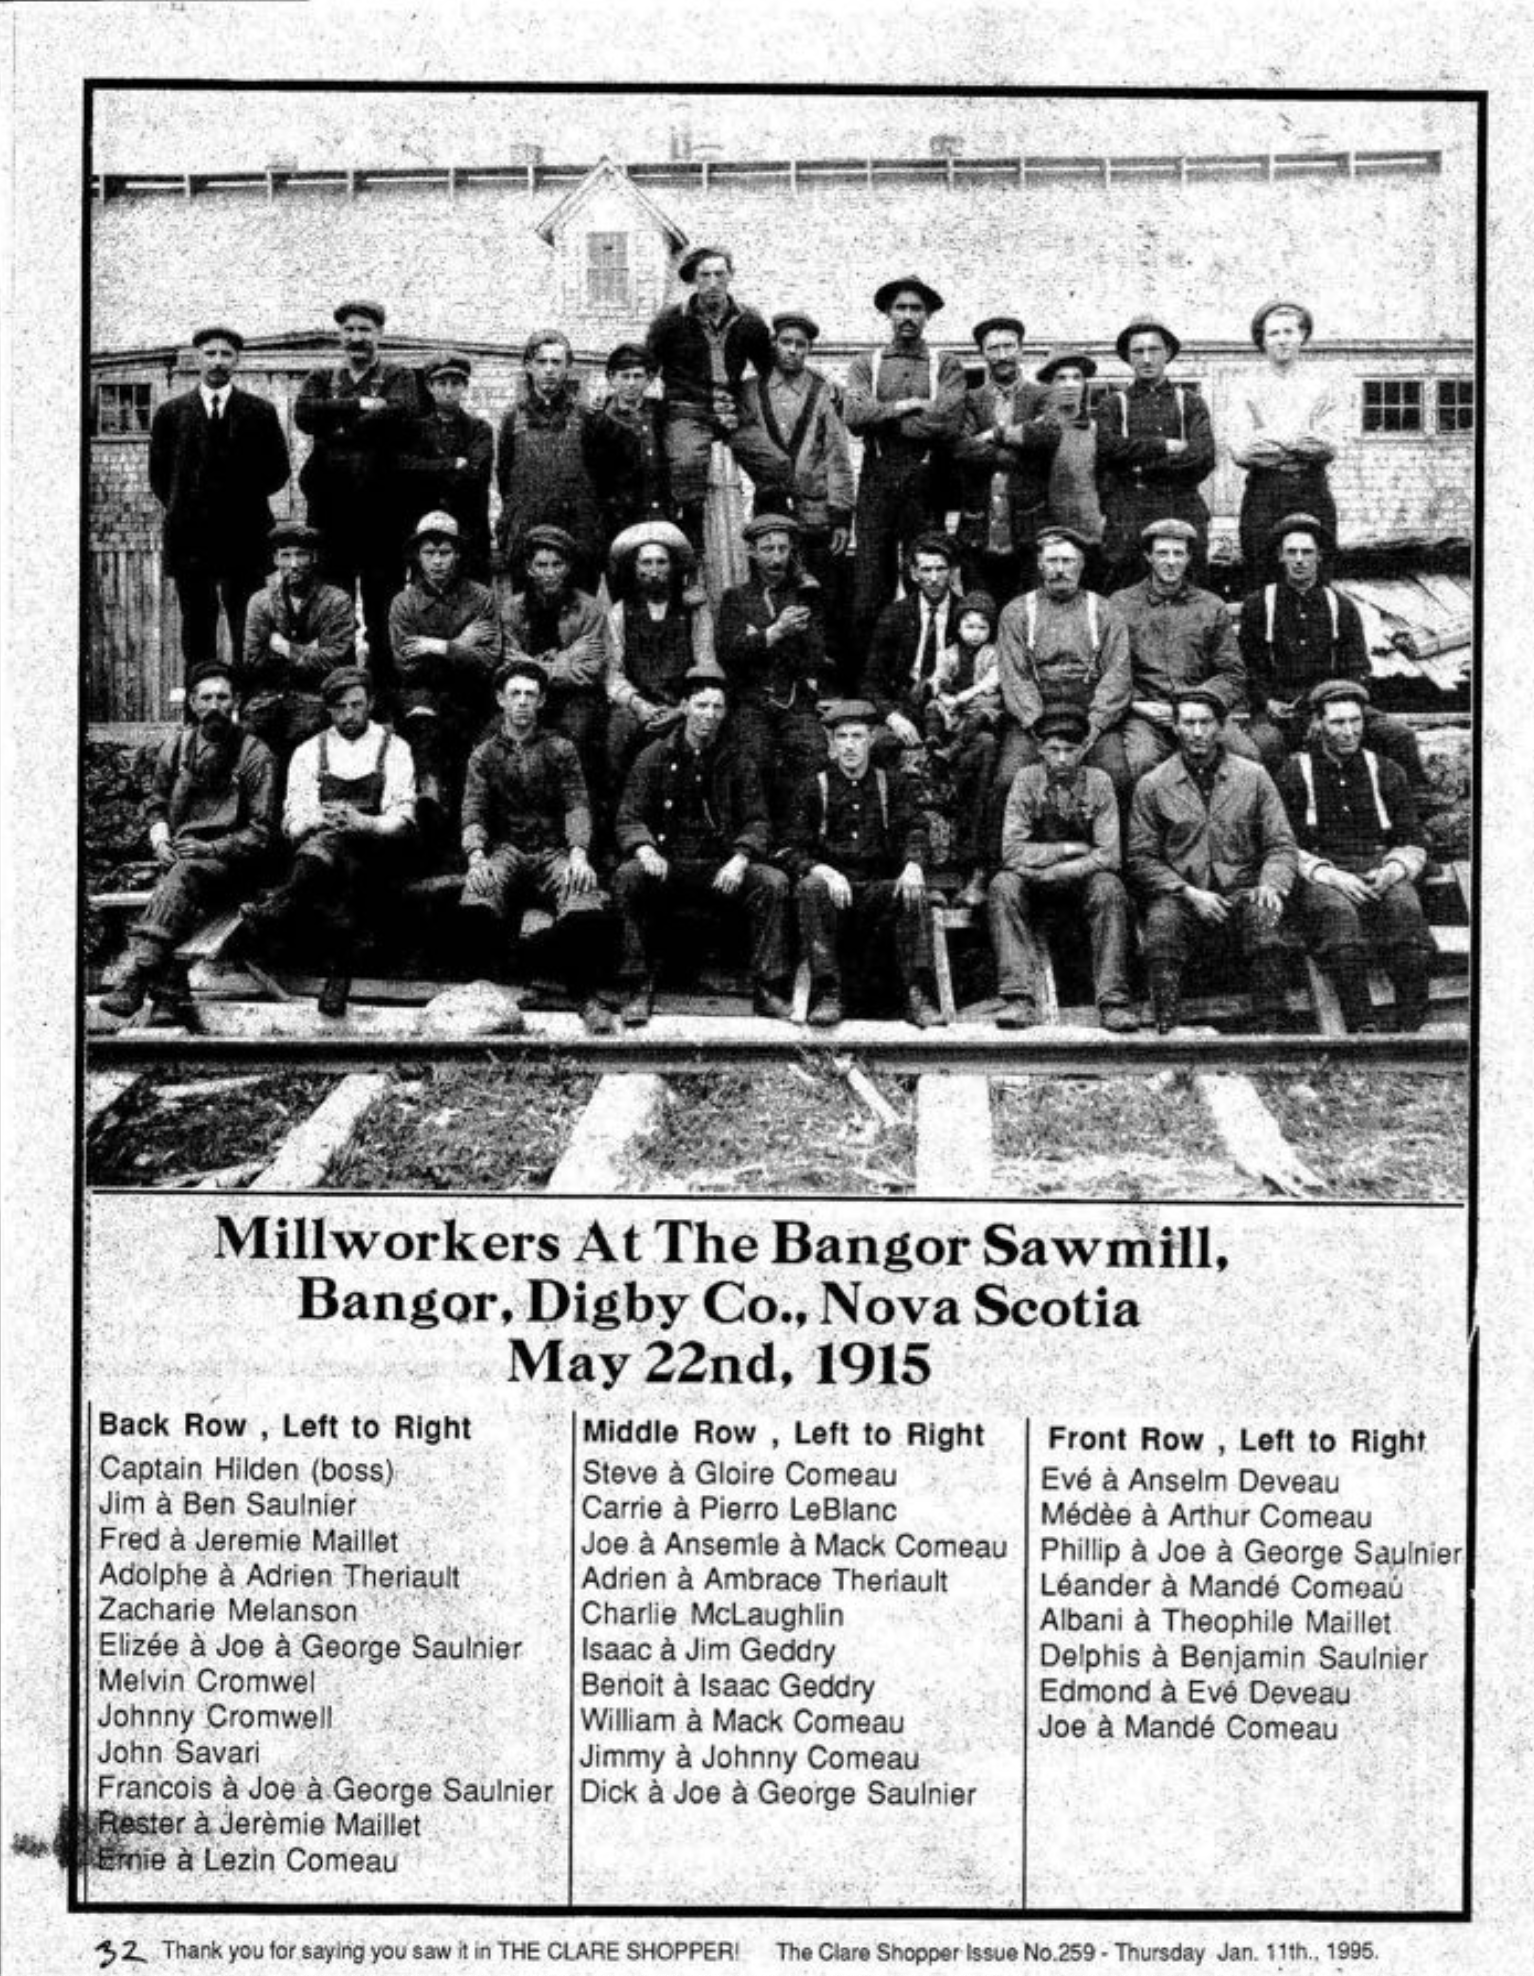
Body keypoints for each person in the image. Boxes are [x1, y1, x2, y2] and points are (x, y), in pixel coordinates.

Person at [612, 663, 793, 1026]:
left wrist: (741, 858)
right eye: (700, 705)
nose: (708, 715)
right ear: (685, 706)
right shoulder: (655, 756)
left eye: (716, 707)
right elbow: (629, 817)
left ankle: (765, 987)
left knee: (773, 883)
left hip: (720, 866)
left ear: (725, 712)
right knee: (628, 877)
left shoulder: (738, 760)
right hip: (669, 865)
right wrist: (645, 850)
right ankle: (637, 985)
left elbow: (758, 820)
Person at [98, 663, 276, 1021]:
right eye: (206, 697)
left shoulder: (255, 754)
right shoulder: (175, 749)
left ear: (236, 701)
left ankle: (137, 975)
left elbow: (261, 832)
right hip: (180, 861)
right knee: (177, 879)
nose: (214, 705)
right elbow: (156, 805)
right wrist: (160, 840)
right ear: (193, 703)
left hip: (236, 866)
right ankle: (167, 996)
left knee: (182, 876)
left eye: (222, 697)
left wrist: (210, 849)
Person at [239, 667, 417, 1018]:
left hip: (380, 850)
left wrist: (365, 822)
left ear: (371, 704)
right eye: (339, 707)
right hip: (325, 853)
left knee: (341, 855)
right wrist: (320, 817)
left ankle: (281, 905)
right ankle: (339, 977)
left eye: (356, 705)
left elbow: (403, 815)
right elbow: (292, 823)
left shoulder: (394, 748)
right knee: (333, 855)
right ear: (328, 709)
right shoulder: (309, 751)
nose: (349, 715)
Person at [1127, 685, 1298, 1033]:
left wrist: (1272, 884)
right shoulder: (1153, 784)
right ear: (1174, 727)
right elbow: (1141, 857)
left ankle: (1271, 1031)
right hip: (1183, 894)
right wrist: (1187, 892)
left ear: (1221, 726)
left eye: (1206, 723)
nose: (1197, 732)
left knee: (1266, 923)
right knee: (1161, 928)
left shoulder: (1253, 776)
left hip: (1244, 888)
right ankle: (1169, 1029)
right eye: (1188, 723)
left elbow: (1280, 843)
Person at [458, 657, 614, 1035]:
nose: (523, 702)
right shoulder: (484, 754)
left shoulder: (560, 749)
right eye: (515, 694)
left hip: (551, 850)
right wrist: (476, 855)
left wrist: (578, 852)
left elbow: (577, 803)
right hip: (507, 848)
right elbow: (473, 809)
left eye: (531, 694)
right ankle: (504, 987)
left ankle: (582, 993)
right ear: (501, 700)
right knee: (479, 893)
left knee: (582, 893)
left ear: (542, 701)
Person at [1276, 681, 1435, 1032]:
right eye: (1337, 723)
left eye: (1355, 721)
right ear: (1318, 724)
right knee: (1337, 917)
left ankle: (1411, 1027)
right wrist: (1329, 875)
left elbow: (1412, 838)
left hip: (1380, 865)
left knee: (1405, 912)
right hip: (1324, 871)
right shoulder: (1294, 773)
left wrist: (1394, 869)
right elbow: (1281, 843)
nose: (1348, 731)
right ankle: (1362, 1026)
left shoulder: (1387, 770)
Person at [782, 700, 945, 1029]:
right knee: (811, 888)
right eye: (841, 737)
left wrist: (913, 864)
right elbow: (791, 848)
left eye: (857, 736)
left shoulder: (892, 784)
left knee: (913, 891)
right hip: (834, 890)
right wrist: (823, 871)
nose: (849, 745)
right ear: (831, 743)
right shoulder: (815, 786)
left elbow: (915, 829)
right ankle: (828, 992)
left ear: (871, 738)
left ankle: (918, 994)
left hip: (877, 887)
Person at [1238, 513, 1425, 786]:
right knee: (1265, 746)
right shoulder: (1259, 604)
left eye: (1307, 552)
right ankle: (1279, 818)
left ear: (1319, 556)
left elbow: (1358, 669)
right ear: (1280, 556)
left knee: (1398, 735)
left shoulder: (1341, 606)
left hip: (1336, 705)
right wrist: (1267, 701)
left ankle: (1417, 808)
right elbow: (1248, 666)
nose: (1299, 560)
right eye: (1292, 552)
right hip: (1280, 713)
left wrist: (1327, 709)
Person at [148, 323, 291, 678]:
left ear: (237, 360)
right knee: (197, 625)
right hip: (191, 539)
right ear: (197, 358)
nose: (217, 361)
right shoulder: (171, 413)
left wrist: (239, 500)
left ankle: (251, 704)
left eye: (226, 354)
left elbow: (277, 471)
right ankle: (200, 712)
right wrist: (191, 506)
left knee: (249, 623)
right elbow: (160, 477)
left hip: (245, 537)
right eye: (210, 353)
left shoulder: (260, 412)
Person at [295, 300, 422, 693]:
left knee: (384, 607)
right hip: (331, 518)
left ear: (379, 334)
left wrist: (338, 428)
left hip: (383, 517)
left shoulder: (399, 376)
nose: (356, 338)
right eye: (349, 330)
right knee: (336, 609)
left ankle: (382, 695)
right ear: (339, 335)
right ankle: (341, 693)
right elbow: (303, 414)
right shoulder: (322, 376)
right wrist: (360, 405)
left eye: (364, 330)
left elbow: (402, 416)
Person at [987, 703, 1137, 1031]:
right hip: (1034, 883)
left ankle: (1112, 1000)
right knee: (1003, 885)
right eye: (1053, 750)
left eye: (1071, 750)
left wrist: (1056, 870)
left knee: (1111, 887)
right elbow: (1011, 852)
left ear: (1084, 749)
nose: (1062, 759)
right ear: (1040, 749)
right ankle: (1019, 998)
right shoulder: (1026, 781)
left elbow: (1109, 855)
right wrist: (1067, 849)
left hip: (1078, 882)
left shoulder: (1099, 783)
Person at [842, 275, 967, 637]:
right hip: (876, 479)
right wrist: (906, 406)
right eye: (901, 308)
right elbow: (853, 417)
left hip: (926, 481)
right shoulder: (868, 363)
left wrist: (883, 417)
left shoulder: (945, 365)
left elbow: (948, 423)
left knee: (927, 579)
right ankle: (869, 676)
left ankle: (922, 668)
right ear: (887, 313)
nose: (908, 316)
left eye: (916, 308)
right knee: (870, 581)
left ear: (928, 315)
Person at [644, 245, 786, 554]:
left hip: (731, 413)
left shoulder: (749, 321)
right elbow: (645, 366)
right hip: (687, 410)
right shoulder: (670, 321)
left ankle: (765, 537)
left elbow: (770, 369)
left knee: (776, 465)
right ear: (694, 280)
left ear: (730, 277)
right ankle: (690, 555)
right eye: (704, 275)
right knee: (686, 465)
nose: (712, 283)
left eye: (719, 274)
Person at [1102, 517, 1258, 797]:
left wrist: (1197, 702)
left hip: (1202, 709)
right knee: (1141, 763)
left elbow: (1232, 673)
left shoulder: (1210, 606)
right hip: (1147, 714)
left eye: (1178, 554)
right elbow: (1110, 670)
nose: (1171, 562)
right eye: (1162, 553)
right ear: (1148, 557)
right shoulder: (1121, 605)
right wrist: (1138, 705)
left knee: (1246, 756)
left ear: (1188, 558)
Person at [991, 527, 1131, 827]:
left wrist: (1094, 728)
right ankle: (994, 863)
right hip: (1036, 715)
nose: (1060, 569)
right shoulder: (1016, 612)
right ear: (1040, 565)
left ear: (1081, 564)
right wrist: (1039, 729)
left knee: (1117, 776)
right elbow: (1015, 677)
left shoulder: (1105, 611)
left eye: (1068, 561)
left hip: (1089, 710)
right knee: (1008, 779)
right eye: (1052, 561)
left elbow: (1117, 676)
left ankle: (1120, 864)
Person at [736, 311, 854, 652]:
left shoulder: (822, 391)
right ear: (774, 344)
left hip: (814, 512)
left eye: (801, 345)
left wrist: (841, 515)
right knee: (772, 587)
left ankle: (818, 667)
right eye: (786, 342)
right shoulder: (750, 391)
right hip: (768, 507)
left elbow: (837, 456)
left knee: (818, 591)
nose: (793, 351)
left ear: (809, 350)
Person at [390, 511, 502, 835]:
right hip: (422, 694)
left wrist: (438, 647)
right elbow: (406, 663)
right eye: (429, 553)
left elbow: (489, 658)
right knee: (425, 733)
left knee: (478, 745)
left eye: (445, 552)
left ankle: (473, 827)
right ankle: (430, 811)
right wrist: (462, 644)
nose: (437, 561)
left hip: (472, 694)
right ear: (418, 556)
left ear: (458, 554)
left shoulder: (481, 598)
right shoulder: (404, 603)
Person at [716, 513, 829, 819]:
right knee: (752, 755)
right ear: (752, 552)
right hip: (751, 700)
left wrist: (760, 639)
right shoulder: (735, 599)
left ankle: (800, 835)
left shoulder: (805, 596)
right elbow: (728, 653)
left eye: (782, 548)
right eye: (768, 549)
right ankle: (756, 833)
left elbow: (815, 657)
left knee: (813, 751)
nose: (776, 557)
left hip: (794, 700)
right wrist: (776, 632)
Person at [1094, 316, 1215, 592]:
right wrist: (1164, 446)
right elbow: (1109, 450)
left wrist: (1138, 462)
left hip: (1182, 507)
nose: (1146, 359)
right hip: (1130, 514)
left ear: (1168, 353)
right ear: (1128, 357)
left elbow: (1202, 457)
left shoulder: (1190, 403)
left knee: (1189, 593)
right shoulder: (1114, 405)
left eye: (1154, 350)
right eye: (1138, 351)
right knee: (1126, 593)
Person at [1229, 300, 1342, 579]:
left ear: (1302, 335)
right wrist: (1300, 441)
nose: (1282, 340)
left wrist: (1269, 437)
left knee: (1316, 574)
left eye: (1289, 332)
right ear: (1263, 340)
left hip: (1312, 490)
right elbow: (1242, 451)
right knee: (1261, 572)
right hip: (1264, 492)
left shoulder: (1322, 386)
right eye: (1274, 333)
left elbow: (1329, 446)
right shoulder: (1245, 388)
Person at [952, 313, 1059, 604]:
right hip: (979, 529)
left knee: (1028, 613)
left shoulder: (1042, 395)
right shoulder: (970, 399)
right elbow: (961, 448)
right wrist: (1016, 451)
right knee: (979, 614)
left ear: (1021, 350)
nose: (1002, 356)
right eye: (993, 348)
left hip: (1028, 529)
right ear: (983, 353)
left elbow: (1049, 434)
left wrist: (994, 434)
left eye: (1009, 346)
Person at [499, 525, 610, 802]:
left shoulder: (590, 608)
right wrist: (567, 657)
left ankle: (580, 816)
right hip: (526, 696)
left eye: (556, 565)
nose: (549, 573)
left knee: (576, 737)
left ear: (568, 567)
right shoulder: (512, 609)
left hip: (576, 697)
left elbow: (590, 670)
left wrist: (535, 665)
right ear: (529, 568)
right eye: (541, 565)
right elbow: (509, 666)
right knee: (493, 737)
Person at [236, 521, 356, 775]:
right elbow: (253, 659)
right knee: (249, 744)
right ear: (275, 559)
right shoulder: (260, 602)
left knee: (308, 744)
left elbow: (335, 660)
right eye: (286, 555)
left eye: (301, 555)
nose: (293, 564)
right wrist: (310, 651)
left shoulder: (336, 601)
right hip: (268, 698)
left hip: (317, 697)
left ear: (314, 557)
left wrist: (286, 648)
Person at [604, 519, 715, 787]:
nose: (654, 571)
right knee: (618, 735)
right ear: (634, 568)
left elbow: (706, 664)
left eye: (661, 562)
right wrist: (640, 706)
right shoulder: (620, 612)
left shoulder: (695, 611)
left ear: (673, 566)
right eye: (646, 563)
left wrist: (682, 709)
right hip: (638, 705)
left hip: (683, 702)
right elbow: (613, 676)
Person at [494, 331, 603, 590]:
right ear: (529, 366)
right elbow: (505, 479)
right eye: (542, 362)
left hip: (576, 536)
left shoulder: (586, 417)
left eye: (556, 362)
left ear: (567, 367)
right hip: (529, 536)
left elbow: (599, 477)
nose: (549, 370)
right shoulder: (513, 419)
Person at [926, 590, 1003, 906]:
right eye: (969, 626)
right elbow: (939, 679)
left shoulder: (992, 654)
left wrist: (964, 697)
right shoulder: (949, 653)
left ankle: (953, 750)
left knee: (983, 730)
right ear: (958, 627)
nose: (975, 634)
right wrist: (944, 696)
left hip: (978, 706)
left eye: (982, 628)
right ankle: (934, 741)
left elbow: (991, 684)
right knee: (933, 707)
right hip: (954, 708)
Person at [399, 352, 494, 581]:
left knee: (474, 601)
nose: (449, 391)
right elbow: (406, 470)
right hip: (427, 535)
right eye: (441, 383)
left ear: (464, 387)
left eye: (455, 383)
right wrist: (452, 464)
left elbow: (474, 475)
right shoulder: (414, 430)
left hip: (469, 533)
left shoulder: (479, 429)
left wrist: (428, 469)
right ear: (430, 386)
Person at [584, 342, 670, 551]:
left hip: (661, 515)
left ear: (649, 379)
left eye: (638, 376)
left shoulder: (661, 414)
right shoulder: (598, 421)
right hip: (619, 520)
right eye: (624, 376)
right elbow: (593, 475)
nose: (631, 383)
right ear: (612, 378)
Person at [1034, 349, 1107, 587]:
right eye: (1061, 378)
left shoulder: (1096, 430)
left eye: (1077, 378)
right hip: (1048, 537)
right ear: (1050, 385)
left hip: (1090, 539)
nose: (1070, 385)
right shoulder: (1035, 431)